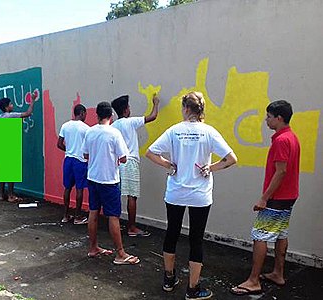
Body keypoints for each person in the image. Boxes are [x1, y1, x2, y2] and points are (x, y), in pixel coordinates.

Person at [146, 91, 237, 299]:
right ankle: (193, 289)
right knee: (196, 239)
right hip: (200, 195)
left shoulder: (174, 131)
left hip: (176, 192)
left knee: (172, 233)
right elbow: (231, 158)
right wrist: (209, 168)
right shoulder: (209, 132)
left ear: (186, 109)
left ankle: (169, 279)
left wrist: (168, 165)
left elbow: (150, 152)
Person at [231, 100, 300, 296]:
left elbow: (281, 172)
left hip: (277, 198)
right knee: (281, 233)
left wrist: (264, 198)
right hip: (289, 196)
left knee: (259, 235)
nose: (266, 120)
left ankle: (253, 280)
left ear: (279, 118)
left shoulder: (281, 140)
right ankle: (278, 273)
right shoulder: (292, 137)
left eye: (269, 117)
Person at [82, 101, 140, 265]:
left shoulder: (90, 132)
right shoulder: (114, 134)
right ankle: (120, 253)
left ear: (97, 115)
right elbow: (123, 158)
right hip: (109, 180)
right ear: (111, 115)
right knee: (113, 216)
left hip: (92, 178)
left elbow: (85, 155)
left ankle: (93, 248)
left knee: (93, 212)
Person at [111, 94, 159, 237]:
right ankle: (131, 227)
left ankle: (115, 223)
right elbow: (153, 116)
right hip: (130, 162)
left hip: (118, 162)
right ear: (126, 110)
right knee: (132, 196)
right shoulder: (131, 122)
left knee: (117, 194)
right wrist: (155, 103)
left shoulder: (113, 126)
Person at [0, 95, 35, 202]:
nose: (12, 105)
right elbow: (27, 113)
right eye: (10, 104)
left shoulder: (0, 117)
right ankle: (11, 196)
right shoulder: (10, 116)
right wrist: (32, 101)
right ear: (6, 107)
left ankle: (1, 195)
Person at [57, 104, 89, 225]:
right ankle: (78, 216)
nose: (85, 116)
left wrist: (69, 149)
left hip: (68, 159)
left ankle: (65, 215)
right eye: (85, 114)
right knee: (79, 189)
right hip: (80, 161)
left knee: (68, 188)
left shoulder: (65, 125)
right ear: (81, 113)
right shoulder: (86, 128)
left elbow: (59, 144)